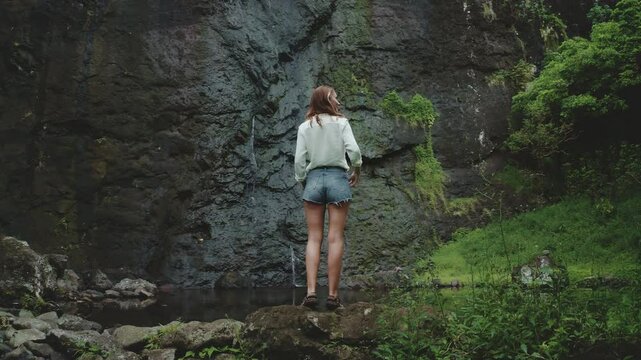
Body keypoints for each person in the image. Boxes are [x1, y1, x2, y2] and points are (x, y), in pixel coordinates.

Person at [294, 85, 362, 310]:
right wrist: (357, 169)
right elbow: (353, 151)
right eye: (335, 97)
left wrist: (304, 180)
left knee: (314, 238)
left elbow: (299, 162)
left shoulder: (305, 127)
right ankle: (333, 296)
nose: (338, 101)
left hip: (313, 180)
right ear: (326, 100)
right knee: (335, 238)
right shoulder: (342, 123)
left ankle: (311, 293)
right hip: (337, 180)